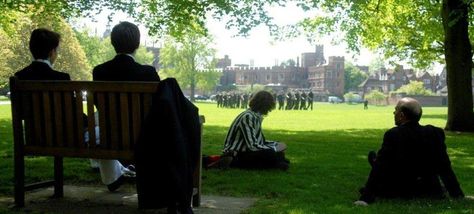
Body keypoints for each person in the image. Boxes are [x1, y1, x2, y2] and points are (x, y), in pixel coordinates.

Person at [355, 97, 465, 205]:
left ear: (402, 115)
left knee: (379, 163)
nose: (394, 113)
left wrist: (365, 198)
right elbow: (445, 167)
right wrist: (458, 195)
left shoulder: (394, 134)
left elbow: (379, 168)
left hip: (401, 189)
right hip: (429, 189)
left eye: (396, 110)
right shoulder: (435, 133)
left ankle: (373, 162)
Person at [92, 21, 160, 192]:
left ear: (112, 43)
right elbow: (158, 104)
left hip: (109, 134)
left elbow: (98, 104)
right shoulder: (148, 73)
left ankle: (115, 175)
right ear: (137, 44)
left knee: (99, 128)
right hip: (143, 136)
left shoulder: (99, 71)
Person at [222, 90, 289, 170]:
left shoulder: (255, 116)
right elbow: (253, 146)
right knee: (271, 153)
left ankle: (275, 162)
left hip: (246, 150)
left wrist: (276, 144)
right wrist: (274, 149)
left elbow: (260, 141)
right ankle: (233, 162)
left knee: (277, 149)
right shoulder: (248, 117)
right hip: (237, 153)